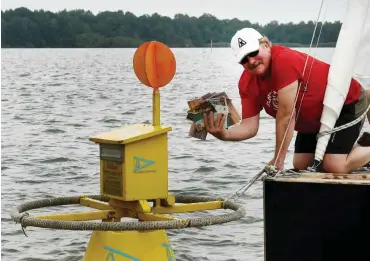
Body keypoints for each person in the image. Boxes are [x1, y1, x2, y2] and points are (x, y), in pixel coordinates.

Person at [203, 27, 370, 173]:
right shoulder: (246, 83)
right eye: (244, 59)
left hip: (345, 102)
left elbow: (287, 115)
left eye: (253, 53)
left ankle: (367, 100)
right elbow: (249, 127)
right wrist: (223, 134)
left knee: (334, 165)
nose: (251, 61)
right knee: (302, 165)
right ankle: (364, 148)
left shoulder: (283, 60)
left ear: (266, 45)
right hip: (314, 119)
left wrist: (278, 159)